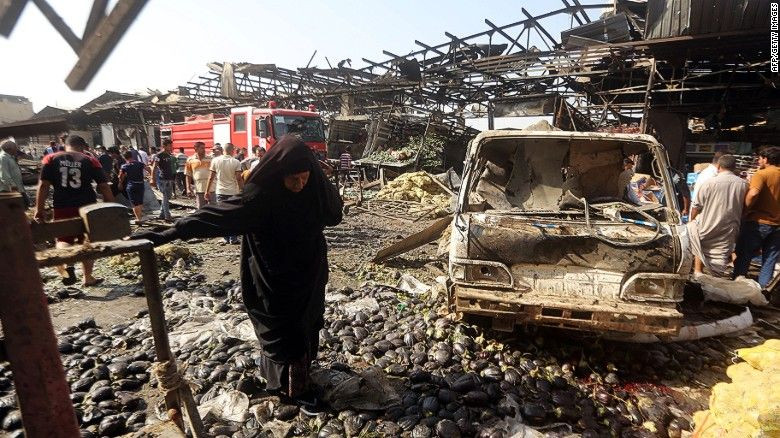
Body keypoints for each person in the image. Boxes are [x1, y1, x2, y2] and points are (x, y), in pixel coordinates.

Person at [132, 135, 342, 411]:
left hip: (310, 273)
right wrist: (173, 231)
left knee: (308, 322)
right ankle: (292, 389)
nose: (299, 185)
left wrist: (317, 185)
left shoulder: (314, 191)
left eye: (305, 178)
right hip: (274, 277)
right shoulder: (260, 197)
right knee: (284, 328)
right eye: (293, 180)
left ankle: (300, 376)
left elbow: (334, 214)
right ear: (278, 174)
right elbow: (217, 217)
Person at [35, 135, 114, 286]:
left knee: (64, 239)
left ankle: (68, 266)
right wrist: (111, 208)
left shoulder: (50, 159)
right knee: (87, 241)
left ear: (64, 145)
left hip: (62, 206)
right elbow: (104, 186)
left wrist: (39, 210)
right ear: (82, 147)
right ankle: (88, 277)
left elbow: (43, 185)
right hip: (87, 207)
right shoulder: (90, 160)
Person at [687, 154, 748, 277]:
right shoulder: (743, 184)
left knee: (700, 245)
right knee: (722, 251)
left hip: (707, 224)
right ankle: (716, 275)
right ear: (734, 167)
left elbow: (696, 206)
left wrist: (691, 220)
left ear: (718, 166)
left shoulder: (709, 183)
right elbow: (746, 204)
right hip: (729, 226)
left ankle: (698, 272)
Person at [733, 146, 780, 290]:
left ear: (766, 159)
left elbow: (753, 193)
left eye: (760, 158)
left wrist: (745, 211)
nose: (758, 161)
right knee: (770, 259)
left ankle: (737, 286)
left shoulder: (761, 174)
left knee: (744, 255)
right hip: (778, 225)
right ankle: (763, 290)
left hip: (758, 222)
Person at [206, 143, 243, 244]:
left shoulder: (215, 160)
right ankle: (233, 238)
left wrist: (207, 191)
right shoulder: (236, 162)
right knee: (233, 215)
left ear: (223, 150)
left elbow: (211, 177)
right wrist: (242, 191)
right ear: (232, 150)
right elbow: (239, 178)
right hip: (233, 192)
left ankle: (225, 238)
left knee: (222, 215)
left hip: (220, 191)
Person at [150, 139, 177, 222]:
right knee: (165, 197)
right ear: (164, 146)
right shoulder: (159, 155)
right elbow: (154, 167)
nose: (171, 147)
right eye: (169, 146)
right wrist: (152, 179)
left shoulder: (169, 155)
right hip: (163, 179)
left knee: (167, 197)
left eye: (171, 145)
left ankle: (162, 214)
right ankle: (167, 216)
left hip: (169, 179)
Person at [185, 142, 215, 209]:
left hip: (212, 189)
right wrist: (188, 188)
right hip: (199, 189)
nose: (204, 150)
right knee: (201, 209)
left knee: (213, 209)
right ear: (196, 149)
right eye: (202, 148)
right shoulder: (190, 160)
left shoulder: (211, 159)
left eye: (204, 148)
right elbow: (188, 175)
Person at [119, 150, 146, 222]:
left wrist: (120, 183)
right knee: (140, 202)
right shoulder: (140, 164)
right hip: (140, 184)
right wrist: (151, 177)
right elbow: (148, 168)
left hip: (131, 185)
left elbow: (121, 176)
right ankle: (140, 217)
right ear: (132, 156)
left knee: (134, 203)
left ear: (124, 157)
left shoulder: (124, 166)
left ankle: (138, 219)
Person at [0, 139, 26, 206]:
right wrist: (13, 186)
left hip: (18, 188)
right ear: (9, 149)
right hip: (9, 190)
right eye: (15, 147)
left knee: (24, 205)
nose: (16, 149)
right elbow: (4, 175)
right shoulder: (3, 158)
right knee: (18, 207)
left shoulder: (10, 157)